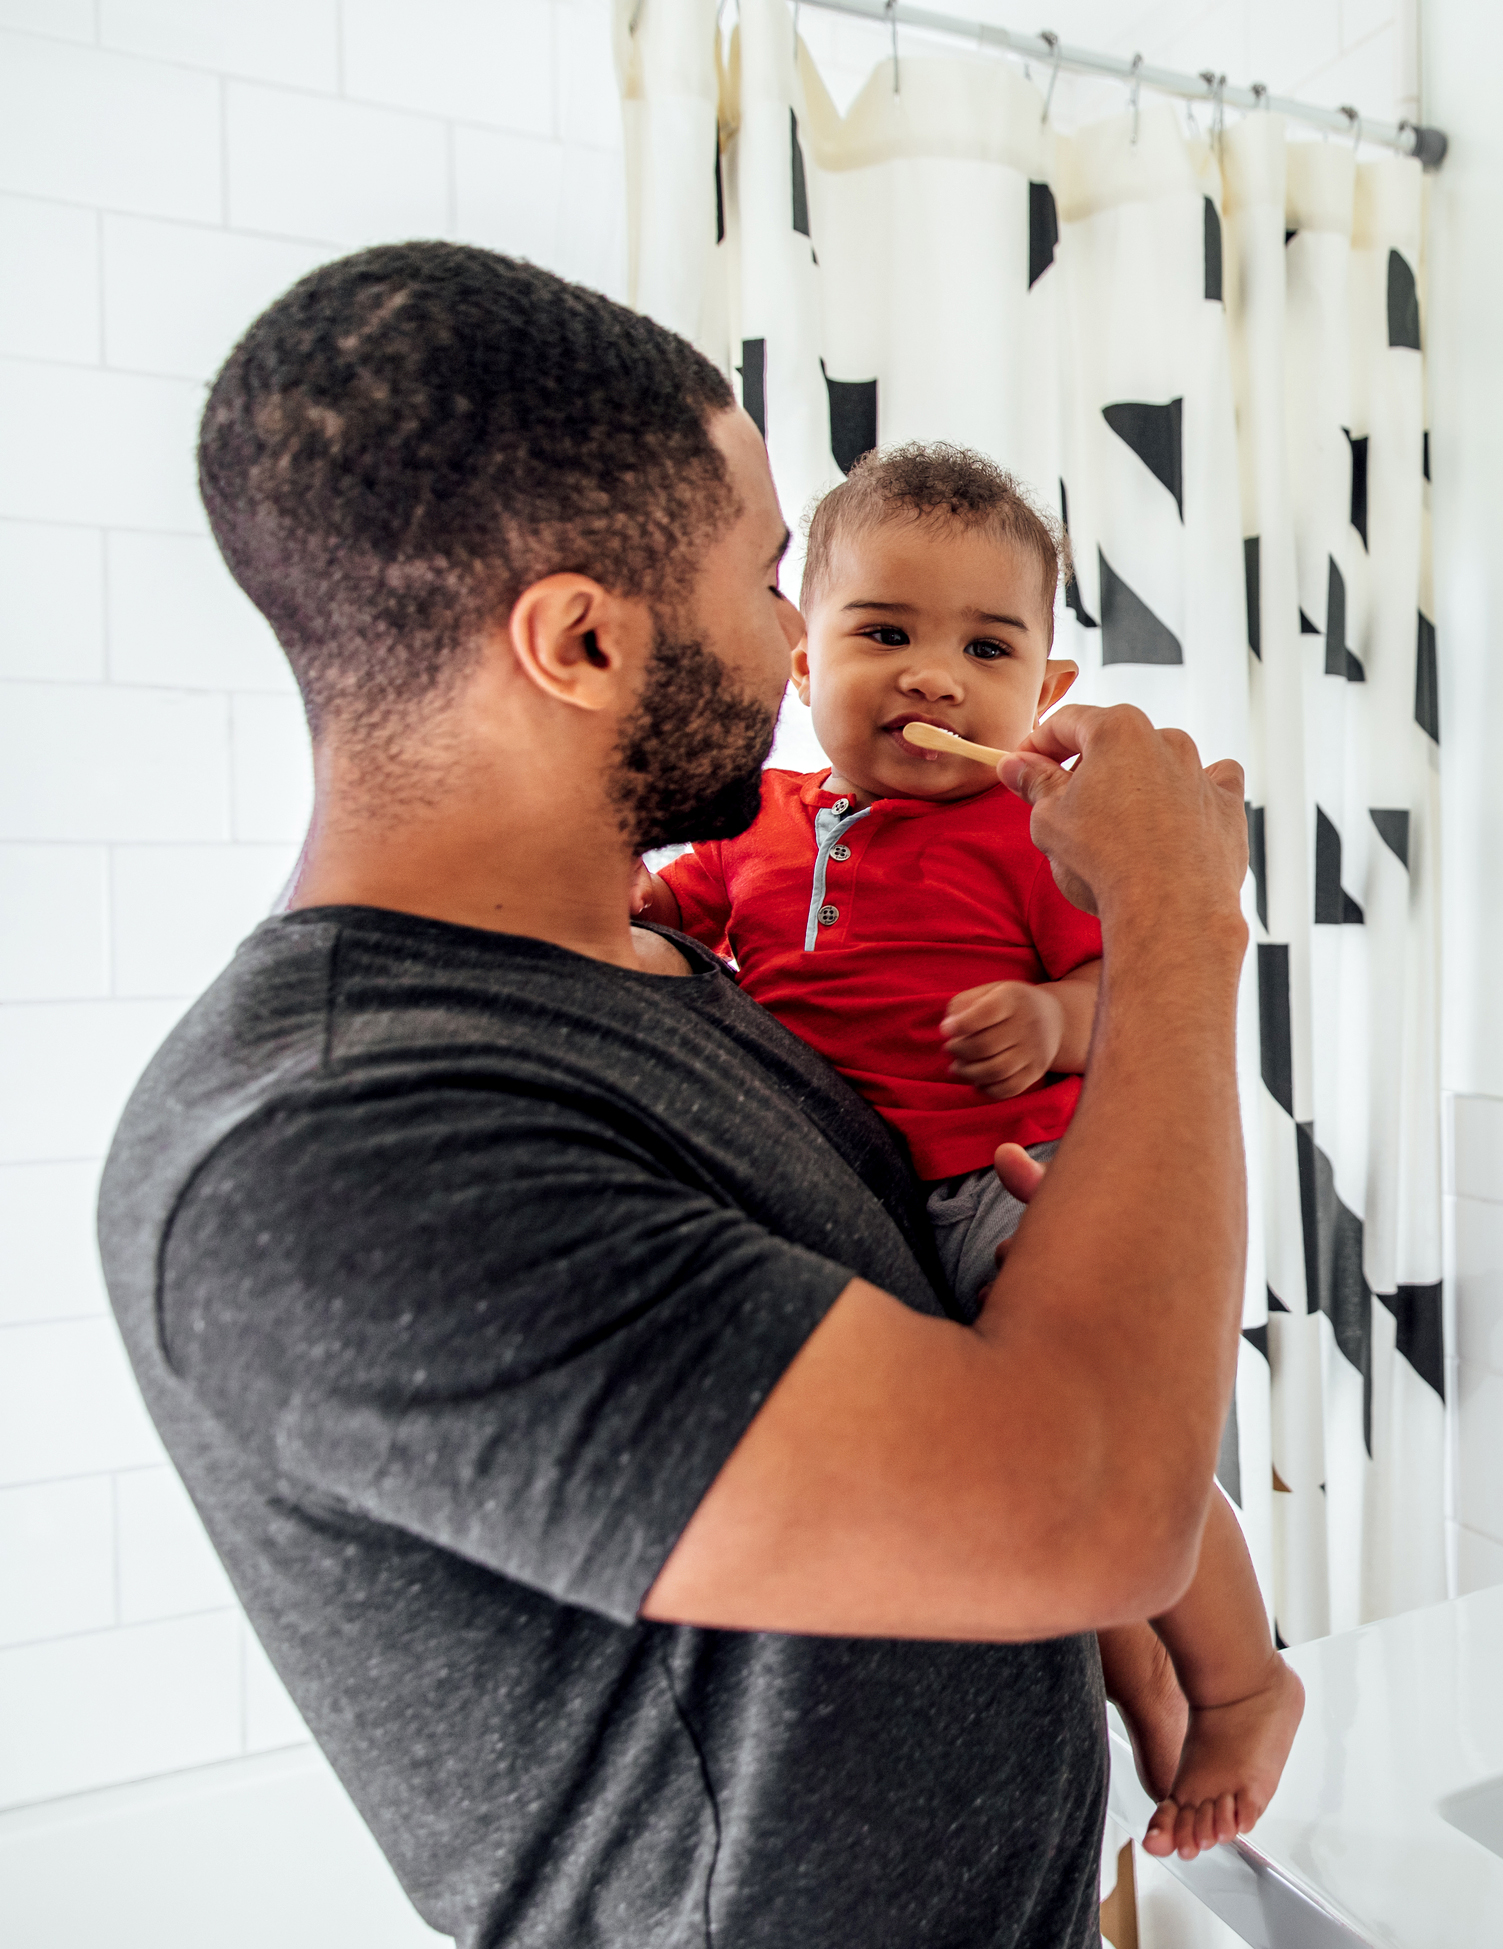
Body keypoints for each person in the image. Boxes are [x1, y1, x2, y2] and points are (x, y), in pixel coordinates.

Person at [97, 242, 1252, 1948]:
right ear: (579, 637)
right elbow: (1085, 1500)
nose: (799, 634)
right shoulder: (331, 1146)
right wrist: (1176, 929)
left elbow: (938, 1427)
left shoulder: (663, 979)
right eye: (769, 574)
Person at [630, 440, 1300, 1859]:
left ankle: (1244, 1680)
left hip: (1001, 1193)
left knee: (1118, 1459)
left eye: (986, 647)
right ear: (800, 665)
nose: (933, 676)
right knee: (1049, 1520)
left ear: (1042, 695)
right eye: (883, 633)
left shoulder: (1037, 834)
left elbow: (1141, 986)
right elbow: (662, 917)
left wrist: (1055, 1015)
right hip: (856, 1219)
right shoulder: (756, 825)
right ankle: (1152, 1708)